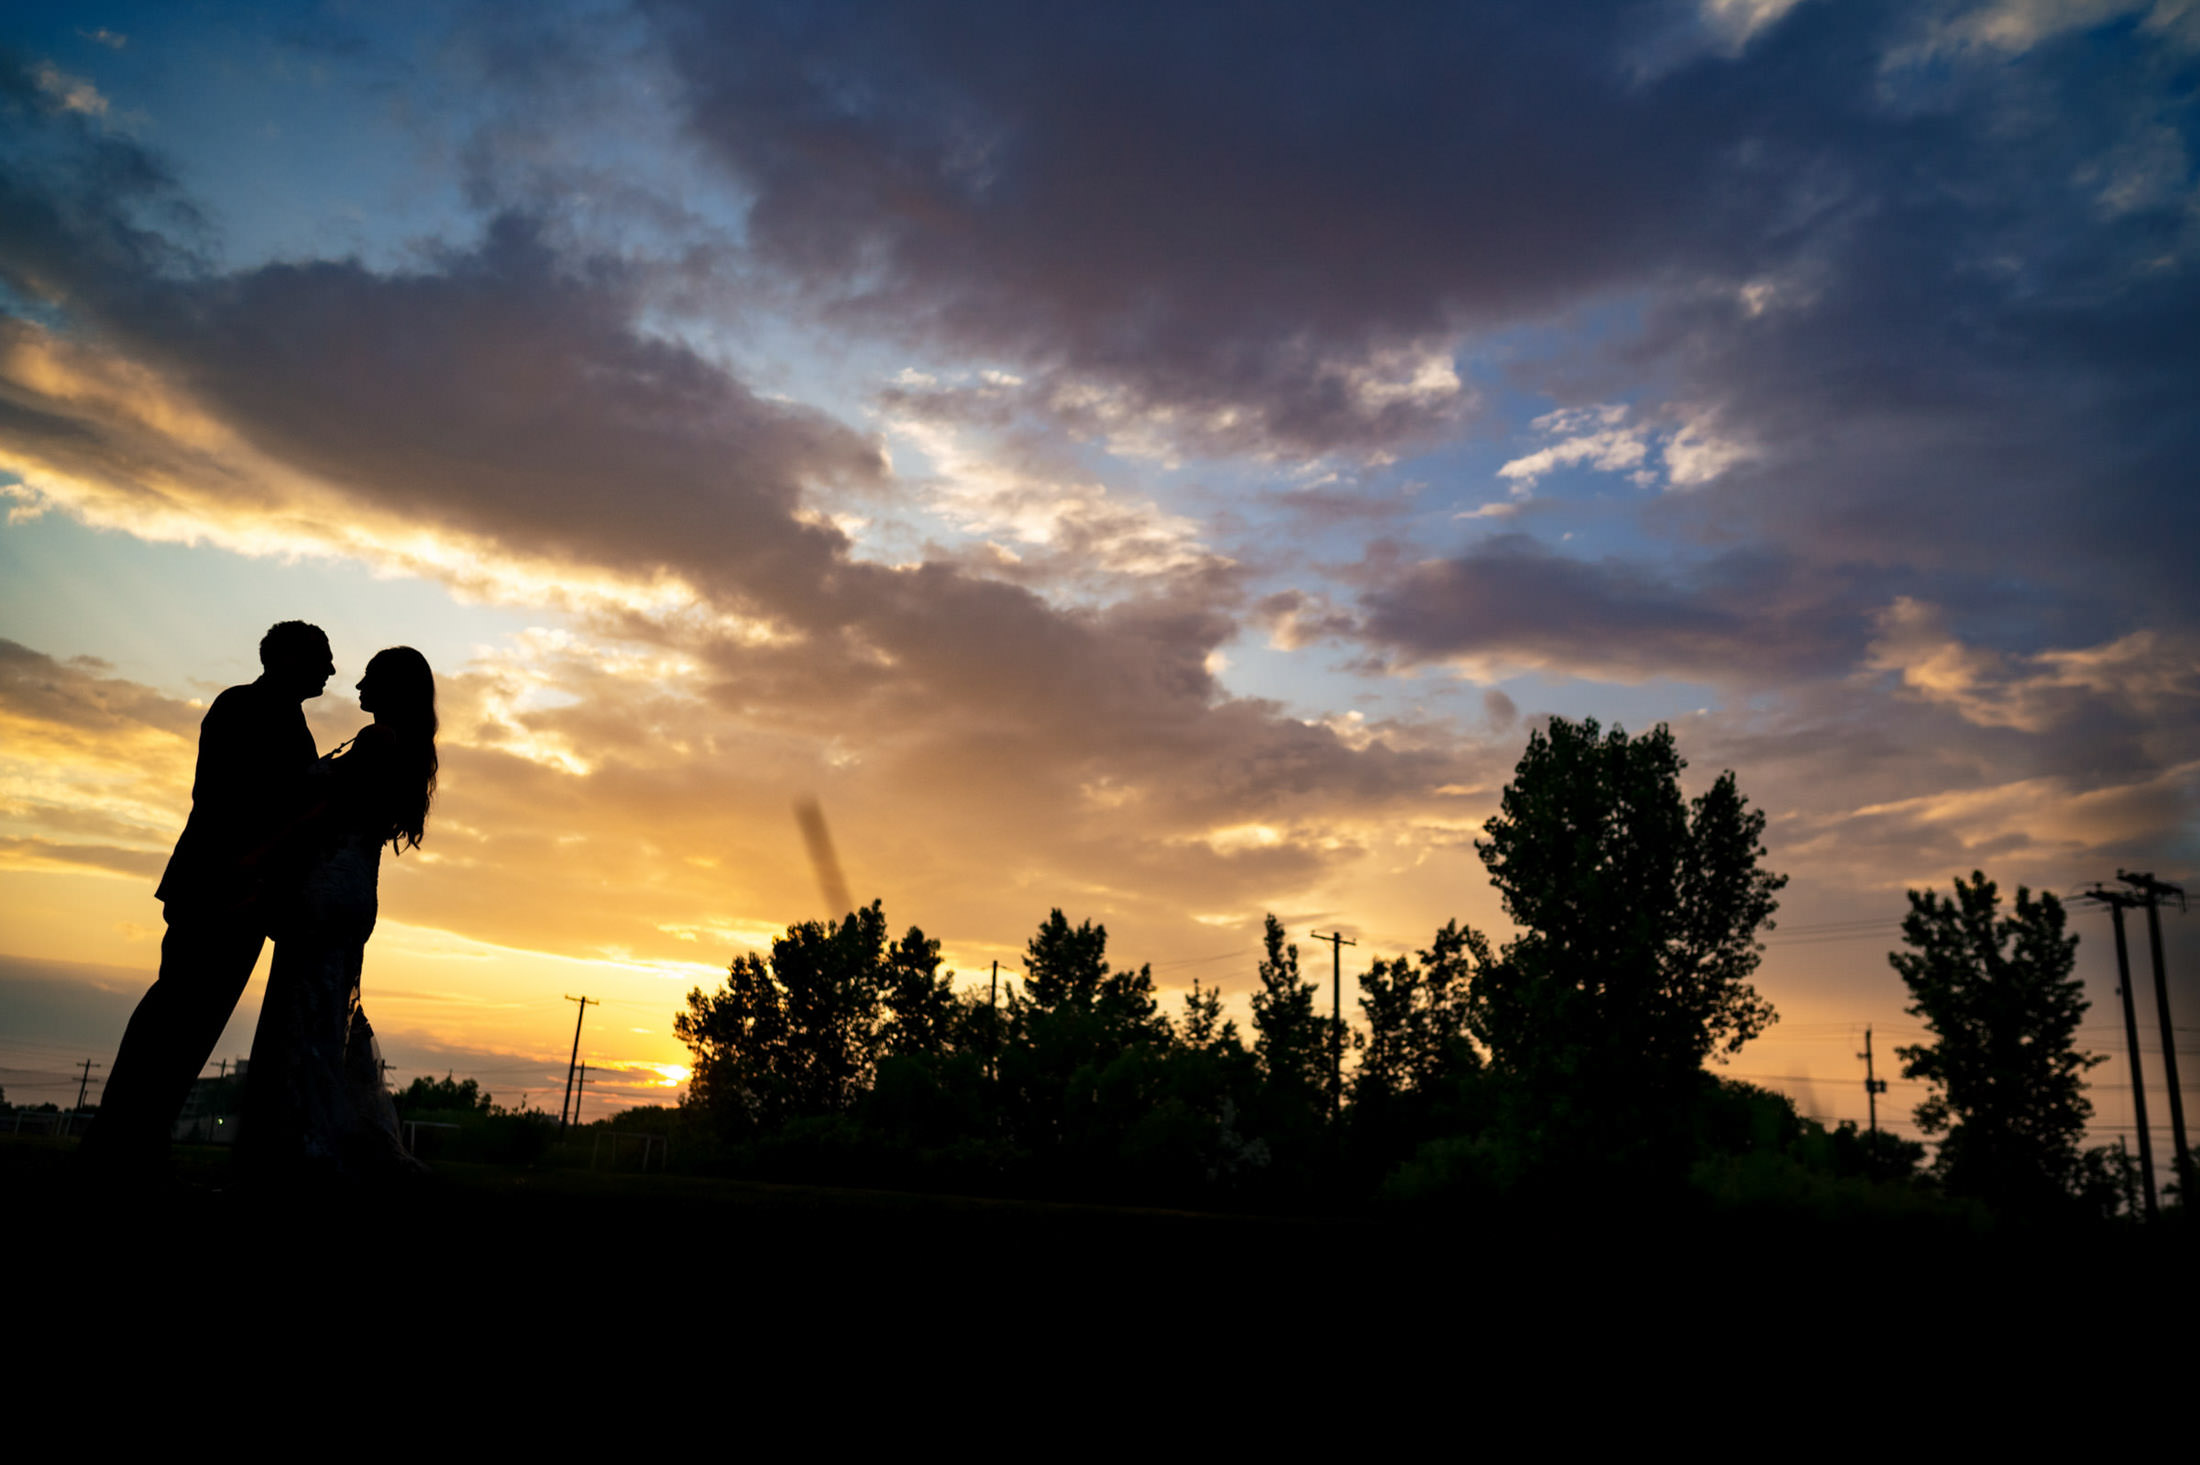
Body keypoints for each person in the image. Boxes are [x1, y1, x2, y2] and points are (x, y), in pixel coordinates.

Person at [81, 621, 332, 1172]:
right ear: (288, 658)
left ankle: (142, 1135)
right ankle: (121, 1135)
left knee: (197, 1022)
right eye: (322, 659)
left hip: (248, 893)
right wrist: (249, 871)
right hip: (220, 887)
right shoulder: (241, 707)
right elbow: (225, 801)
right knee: (175, 1011)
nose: (331, 672)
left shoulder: (290, 720)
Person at [238, 646, 439, 1181]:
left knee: (304, 1017)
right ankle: (313, 1137)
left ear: (392, 688)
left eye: (369, 678)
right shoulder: (402, 746)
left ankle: (306, 1143)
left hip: (328, 887)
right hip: (353, 889)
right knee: (321, 1014)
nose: (356, 686)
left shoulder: (379, 741)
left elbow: (326, 813)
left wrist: (259, 860)